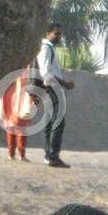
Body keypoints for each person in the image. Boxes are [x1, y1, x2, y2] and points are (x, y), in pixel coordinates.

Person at [35, 22, 75, 168]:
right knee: (58, 122)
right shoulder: (46, 49)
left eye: (60, 34)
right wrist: (64, 84)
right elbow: (46, 73)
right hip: (53, 88)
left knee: (50, 122)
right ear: (48, 34)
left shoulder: (48, 48)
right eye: (56, 34)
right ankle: (53, 156)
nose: (59, 36)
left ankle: (49, 155)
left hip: (50, 88)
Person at [0, 69, 33, 161]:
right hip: (20, 98)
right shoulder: (27, 70)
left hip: (10, 96)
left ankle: (11, 153)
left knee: (11, 126)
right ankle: (21, 154)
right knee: (21, 127)